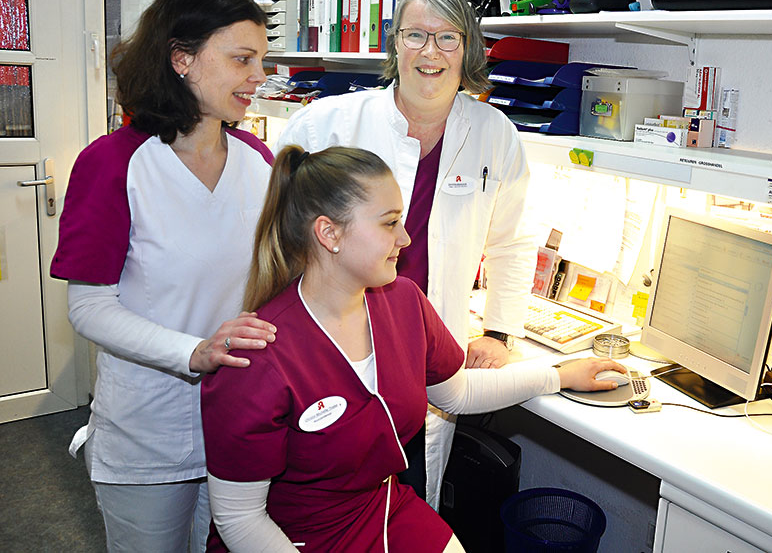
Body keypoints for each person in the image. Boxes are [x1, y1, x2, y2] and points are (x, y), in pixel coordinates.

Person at [201, 145, 626, 553]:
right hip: (292, 535)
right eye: (389, 223)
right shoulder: (257, 355)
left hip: (380, 507)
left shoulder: (403, 301)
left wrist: (558, 375)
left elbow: (456, 393)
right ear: (329, 233)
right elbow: (239, 520)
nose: (406, 238)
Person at [274, 0, 535, 507]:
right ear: (394, 44)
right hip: (334, 341)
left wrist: (501, 331)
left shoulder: (494, 132)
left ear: (469, 48)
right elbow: (280, 235)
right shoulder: (329, 122)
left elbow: (511, 240)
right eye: (415, 35)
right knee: (324, 489)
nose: (430, 52)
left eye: (447, 37)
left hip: (430, 346)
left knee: (413, 493)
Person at [49, 0, 276, 552]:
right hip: (151, 427)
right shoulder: (114, 162)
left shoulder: (260, 162)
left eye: (262, 60)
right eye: (242, 59)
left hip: (240, 421)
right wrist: (191, 352)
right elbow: (90, 306)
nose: (258, 76)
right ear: (182, 58)